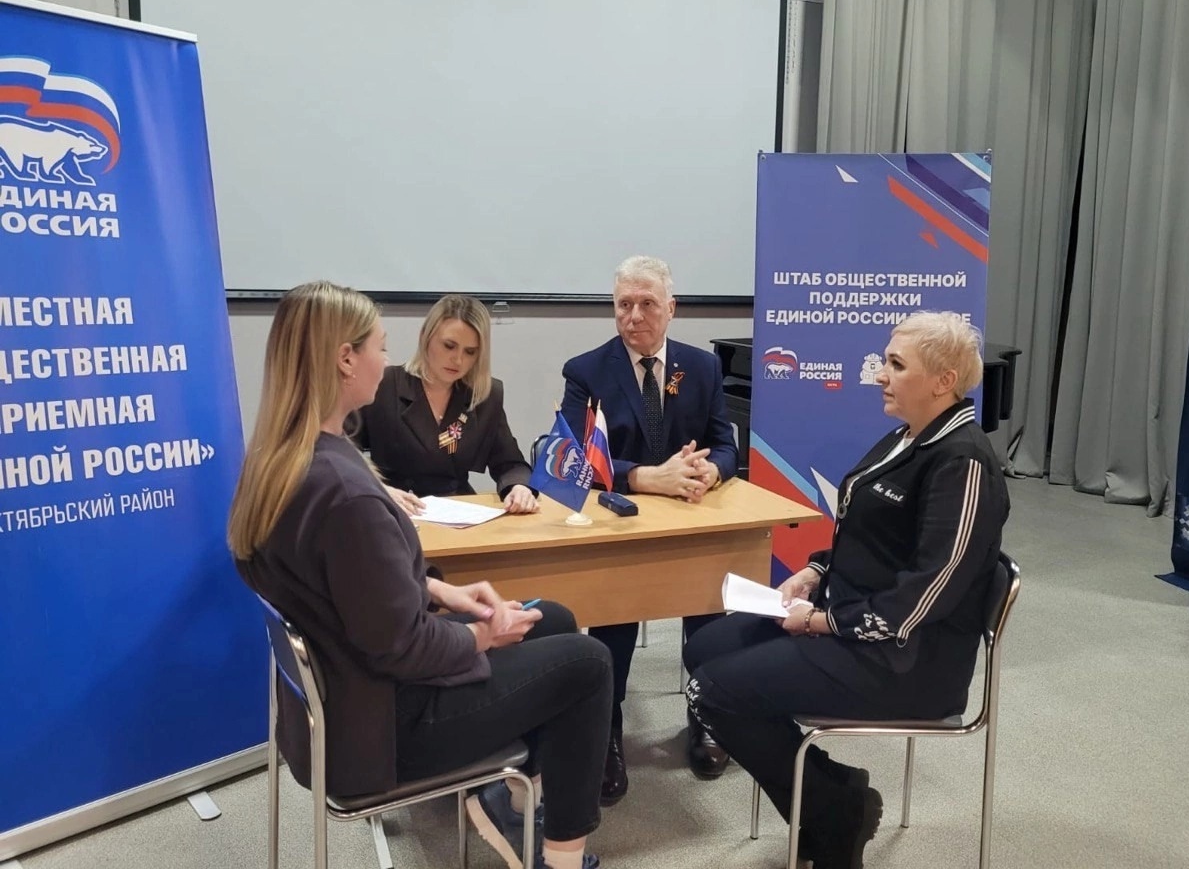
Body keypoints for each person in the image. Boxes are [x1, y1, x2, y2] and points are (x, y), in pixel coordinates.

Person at [230, 281, 612, 869]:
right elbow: (403, 647)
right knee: (588, 662)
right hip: (384, 728)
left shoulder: (286, 458)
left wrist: (438, 588)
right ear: (346, 359)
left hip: (344, 700)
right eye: (380, 346)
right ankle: (559, 860)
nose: (387, 358)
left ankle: (514, 805)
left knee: (553, 618)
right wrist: (483, 633)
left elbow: (350, 588)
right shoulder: (348, 494)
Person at [683, 311, 1010, 869]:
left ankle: (834, 812)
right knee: (705, 650)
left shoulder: (964, 463)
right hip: (853, 622)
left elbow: (926, 594)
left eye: (896, 364)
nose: (880, 374)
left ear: (944, 381)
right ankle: (835, 795)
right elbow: (873, 538)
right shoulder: (909, 436)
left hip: (907, 661)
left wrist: (821, 622)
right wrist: (816, 572)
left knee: (715, 692)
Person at [560, 255, 738, 802]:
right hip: (623, 523)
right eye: (624, 304)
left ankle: (705, 711)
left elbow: (726, 445)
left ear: (671, 309)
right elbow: (572, 457)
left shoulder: (702, 368)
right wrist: (642, 476)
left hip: (691, 519)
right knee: (615, 619)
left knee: (708, 609)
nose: (634, 316)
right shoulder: (586, 371)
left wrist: (711, 471)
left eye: (647, 304)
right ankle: (606, 726)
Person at [351, 294, 538, 517]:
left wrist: (519, 488)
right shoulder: (384, 384)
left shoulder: (484, 395)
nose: (458, 360)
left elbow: (511, 463)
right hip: (396, 509)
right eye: (449, 346)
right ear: (425, 337)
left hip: (457, 511)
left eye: (470, 352)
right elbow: (341, 452)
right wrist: (378, 489)